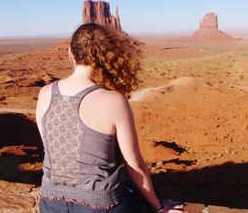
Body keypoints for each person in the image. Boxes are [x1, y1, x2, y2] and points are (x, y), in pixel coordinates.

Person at [35, 23, 184, 213]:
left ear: (70, 53)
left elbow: (52, 146)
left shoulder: (45, 93)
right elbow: (134, 164)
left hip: (50, 202)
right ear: (107, 56)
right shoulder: (114, 101)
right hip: (102, 205)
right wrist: (158, 206)